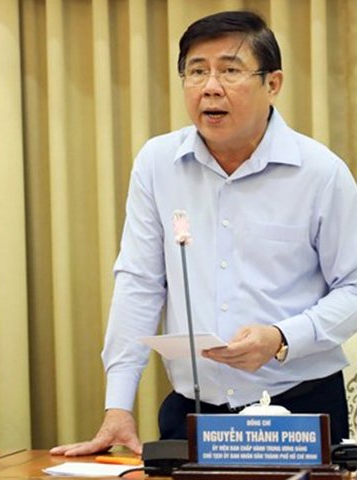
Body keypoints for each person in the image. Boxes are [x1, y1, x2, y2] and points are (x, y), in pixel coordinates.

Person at [51, 10, 357, 456]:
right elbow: (139, 284)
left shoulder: (320, 173)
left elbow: (353, 287)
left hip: (301, 411)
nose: (210, 87)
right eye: (196, 71)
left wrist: (282, 337)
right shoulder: (157, 164)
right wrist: (117, 405)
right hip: (193, 412)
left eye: (230, 71)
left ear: (273, 84)